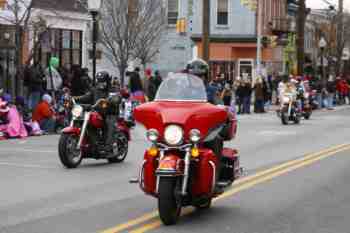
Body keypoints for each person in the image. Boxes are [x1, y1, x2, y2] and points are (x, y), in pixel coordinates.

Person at [75, 71, 121, 152]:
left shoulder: (113, 89)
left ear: (107, 81)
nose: (101, 84)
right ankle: (94, 142)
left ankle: (108, 146)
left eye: (103, 82)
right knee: (87, 121)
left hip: (110, 113)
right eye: (99, 82)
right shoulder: (95, 90)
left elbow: (117, 97)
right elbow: (86, 97)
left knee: (109, 122)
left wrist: (113, 99)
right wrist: (75, 98)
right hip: (98, 113)